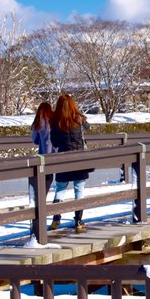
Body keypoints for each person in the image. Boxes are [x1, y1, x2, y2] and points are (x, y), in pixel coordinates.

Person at [49, 94, 91, 233]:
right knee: (79, 190)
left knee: (60, 188)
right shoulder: (79, 120)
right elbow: (88, 128)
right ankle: (78, 220)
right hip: (80, 158)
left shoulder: (56, 123)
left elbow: (54, 143)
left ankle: (56, 218)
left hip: (63, 159)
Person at [29, 101, 55, 229]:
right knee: (56, 182)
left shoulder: (38, 123)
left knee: (43, 183)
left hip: (43, 157)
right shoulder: (54, 121)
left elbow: (34, 140)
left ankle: (39, 207)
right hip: (56, 156)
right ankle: (51, 213)